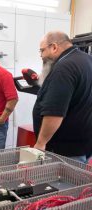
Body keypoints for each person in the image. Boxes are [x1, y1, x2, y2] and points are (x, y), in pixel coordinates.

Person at [33, 31, 92, 163]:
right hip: (83, 144)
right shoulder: (87, 59)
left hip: (65, 151)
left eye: (42, 50)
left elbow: (54, 112)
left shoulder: (63, 68)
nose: (41, 56)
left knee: (62, 183)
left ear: (54, 47)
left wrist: (41, 143)